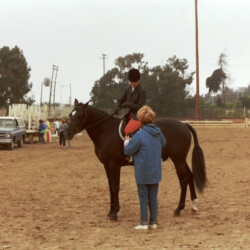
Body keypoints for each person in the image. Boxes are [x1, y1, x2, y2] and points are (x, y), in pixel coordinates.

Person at [124, 105, 166, 230]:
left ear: (141, 120)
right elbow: (164, 143)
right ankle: (153, 222)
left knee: (143, 197)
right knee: (153, 197)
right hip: (156, 171)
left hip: (143, 171)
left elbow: (128, 150)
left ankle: (143, 222)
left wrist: (126, 141)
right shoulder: (158, 133)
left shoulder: (139, 134)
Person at [114, 68, 147, 137]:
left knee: (127, 130)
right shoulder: (128, 88)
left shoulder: (142, 91)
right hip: (129, 115)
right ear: (129, 81)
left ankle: (133, 146)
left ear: (138, 80)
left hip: (138, 116)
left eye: (135, 82)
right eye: (132, 82)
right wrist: (117, 106)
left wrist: (128, 104)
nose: (133, 84)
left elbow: (140, 107)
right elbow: (121, 100)